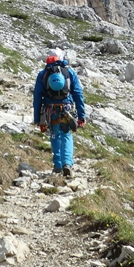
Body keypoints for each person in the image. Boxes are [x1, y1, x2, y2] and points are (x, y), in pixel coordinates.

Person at [33, 48, 85, 177]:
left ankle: (57, 165)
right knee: (66, 135)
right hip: (67, 108)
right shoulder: (69, 72)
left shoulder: (43, 74)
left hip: (51, 110)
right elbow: (78, 93)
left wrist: (37, 119)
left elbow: (37, 97)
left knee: (55, 135)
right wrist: (81, 116)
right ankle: (67, 163)